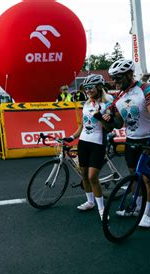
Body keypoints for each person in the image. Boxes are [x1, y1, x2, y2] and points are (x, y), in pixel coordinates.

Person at [104, 59, 150, 228]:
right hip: (132, 140)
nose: (116, 81)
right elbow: (119, 123)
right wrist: (107, 120)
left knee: (147, 179)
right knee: (134, 176)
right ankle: (136, 207)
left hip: (149, 138)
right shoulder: (120, 97)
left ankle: (148, 213)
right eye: (114, 78)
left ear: (130, 74)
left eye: (119, 77)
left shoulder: (147, 89)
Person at [65, 74, 114, 220]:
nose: (88, 90)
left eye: (90, 88)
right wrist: (72, 137)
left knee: (93, 177)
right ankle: (90, 202)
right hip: (84, 143)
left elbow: (109, 128)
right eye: (86, 88)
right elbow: (83, 125)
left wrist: (100, 117)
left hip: (98, 143)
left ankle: (101, 208)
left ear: (99, 87)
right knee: (84, 175)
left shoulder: (108, 103)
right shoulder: (86, 104)